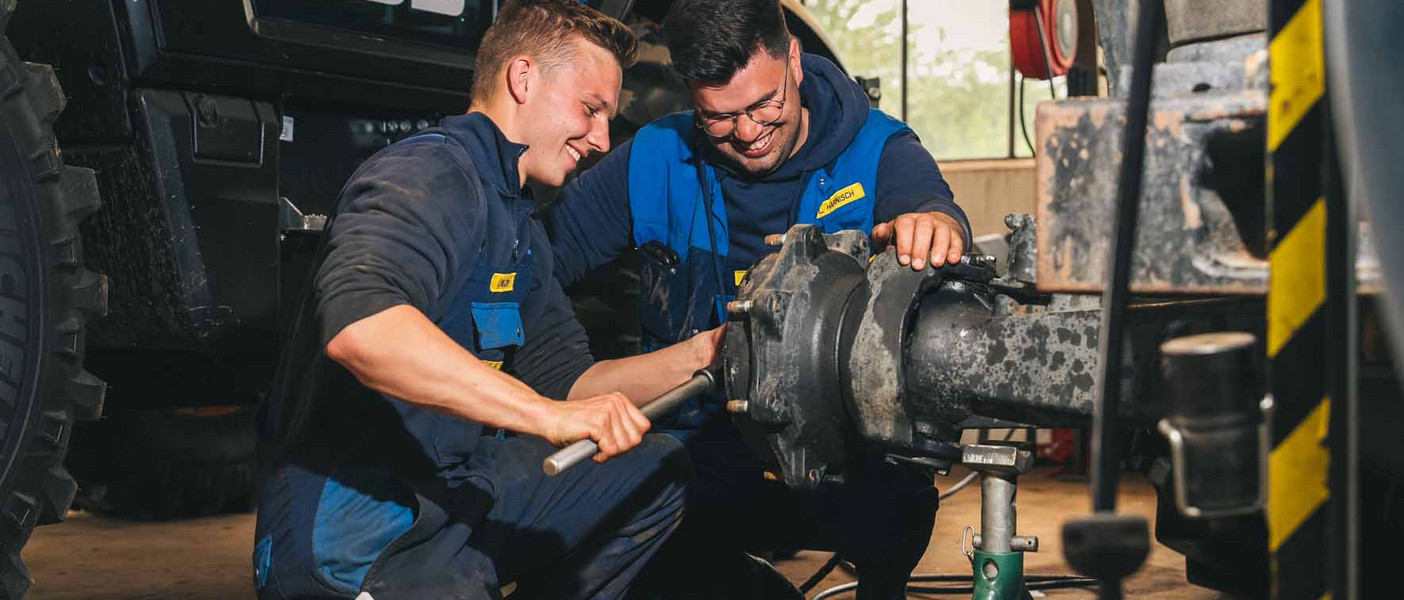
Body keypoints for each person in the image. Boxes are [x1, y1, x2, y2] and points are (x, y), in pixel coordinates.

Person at [252, 2, 725, 598]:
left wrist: (711, 352)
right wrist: (545, 416)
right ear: (523, 79)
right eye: (590, 109)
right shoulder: (430, 173)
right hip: (357, 529)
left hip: (451, 493)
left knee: (654, 473)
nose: (603, 139)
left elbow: (573, 383)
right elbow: (362, 331)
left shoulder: (518, 224)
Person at [546, 0, 971, 597]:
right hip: (696, 452)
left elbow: (933, 212)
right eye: (718, 117)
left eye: (764, 104)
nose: (747, 133)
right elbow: (541, 259)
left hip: (842, 460)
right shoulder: (655, 157)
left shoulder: (878, 150)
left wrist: (932, 226)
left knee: (898, 502)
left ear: (793, 59)